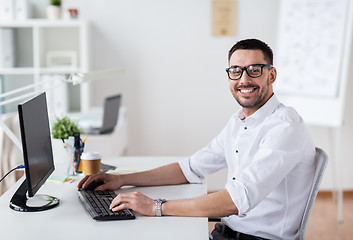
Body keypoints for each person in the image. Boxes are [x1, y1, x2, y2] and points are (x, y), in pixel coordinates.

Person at [78, 38, 316, 240]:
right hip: (226, 232)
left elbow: (235, 200)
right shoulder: (239, 122)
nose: (244, 79)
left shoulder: (284, 127)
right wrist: (121, 180)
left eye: (254, 70)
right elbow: (189, 168)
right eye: (236, 71)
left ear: (271, 74)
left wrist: (156, 207)